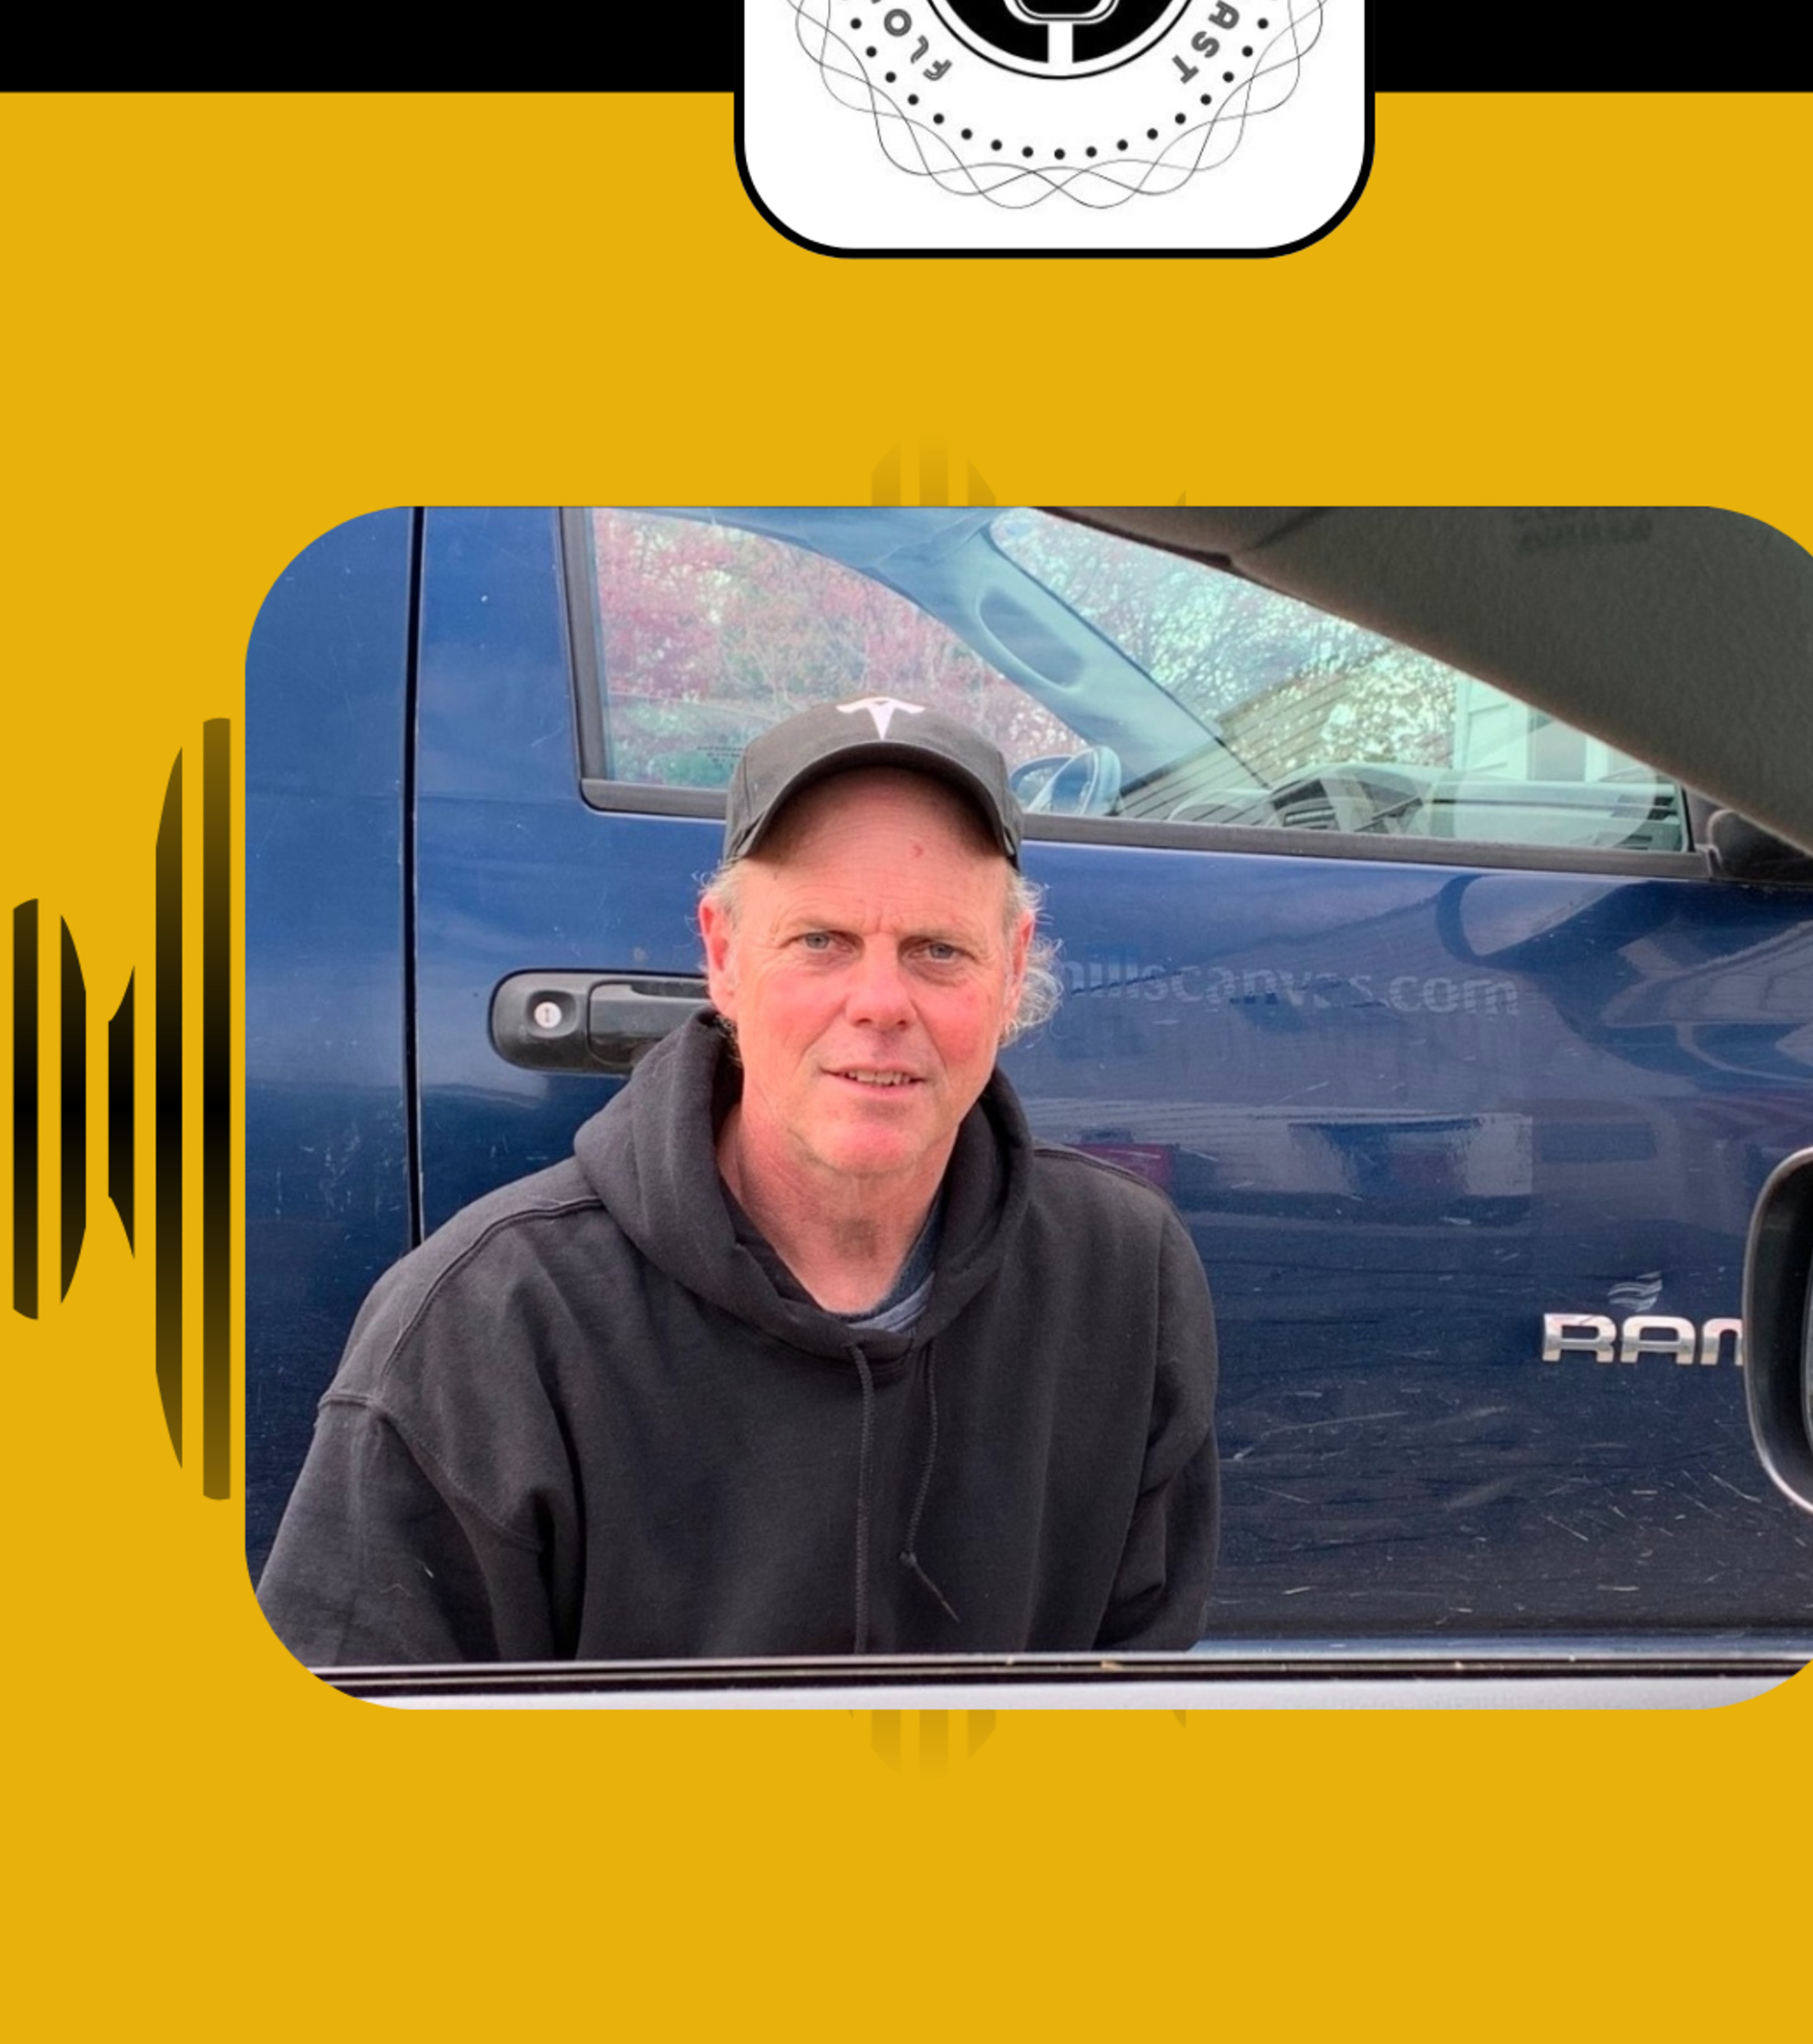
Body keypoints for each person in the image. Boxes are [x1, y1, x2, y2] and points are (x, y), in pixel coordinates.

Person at [257, 695, 1220, 1664]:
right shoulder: (487, 1324)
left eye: (938, 950)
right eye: (820, 942)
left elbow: (1144, 1708)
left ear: (1010, 972)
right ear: (722, 957)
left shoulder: (1122, 1281)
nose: (880, 1002)